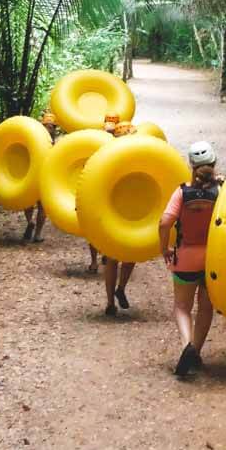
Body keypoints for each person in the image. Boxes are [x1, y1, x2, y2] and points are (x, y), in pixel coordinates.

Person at [159, 140, 220, 377]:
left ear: (191, 166)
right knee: (205, 308)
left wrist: (164, 248)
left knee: (182, 307)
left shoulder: (182, 192)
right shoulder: (222, 192)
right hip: (214, 260)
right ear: (214, 163)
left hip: (185, 257)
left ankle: (186, 345)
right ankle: (196, 350)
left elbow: (165, 222)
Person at [102, 118, 136, 314]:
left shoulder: (137, 156)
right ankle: (112, 299)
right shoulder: (107, 157)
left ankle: (117, 293)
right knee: (116, 256)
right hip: (115, 209)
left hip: (129, 208)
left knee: (125, 254)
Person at [22, 111, 58, 242]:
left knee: (27, 202)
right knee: (42, 207)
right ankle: (37, 234)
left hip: (31, 176)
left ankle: (30, 221)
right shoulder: (54, 145)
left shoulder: (34, 140)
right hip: (45, 179)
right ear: (54, 128)